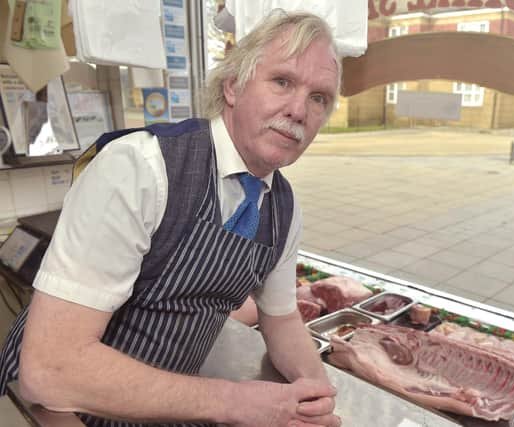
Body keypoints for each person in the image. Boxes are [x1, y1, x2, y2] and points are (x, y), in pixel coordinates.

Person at [0, 10, 342, 427]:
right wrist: (235, 402)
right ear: (233, 86)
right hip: (57, 410)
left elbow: (282, 318)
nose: (298, 110)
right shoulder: (140, 169)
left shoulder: (284, 209)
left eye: (318, 97)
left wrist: (317, 397)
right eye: (283, 82)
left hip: (161, 406)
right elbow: (49, 371)